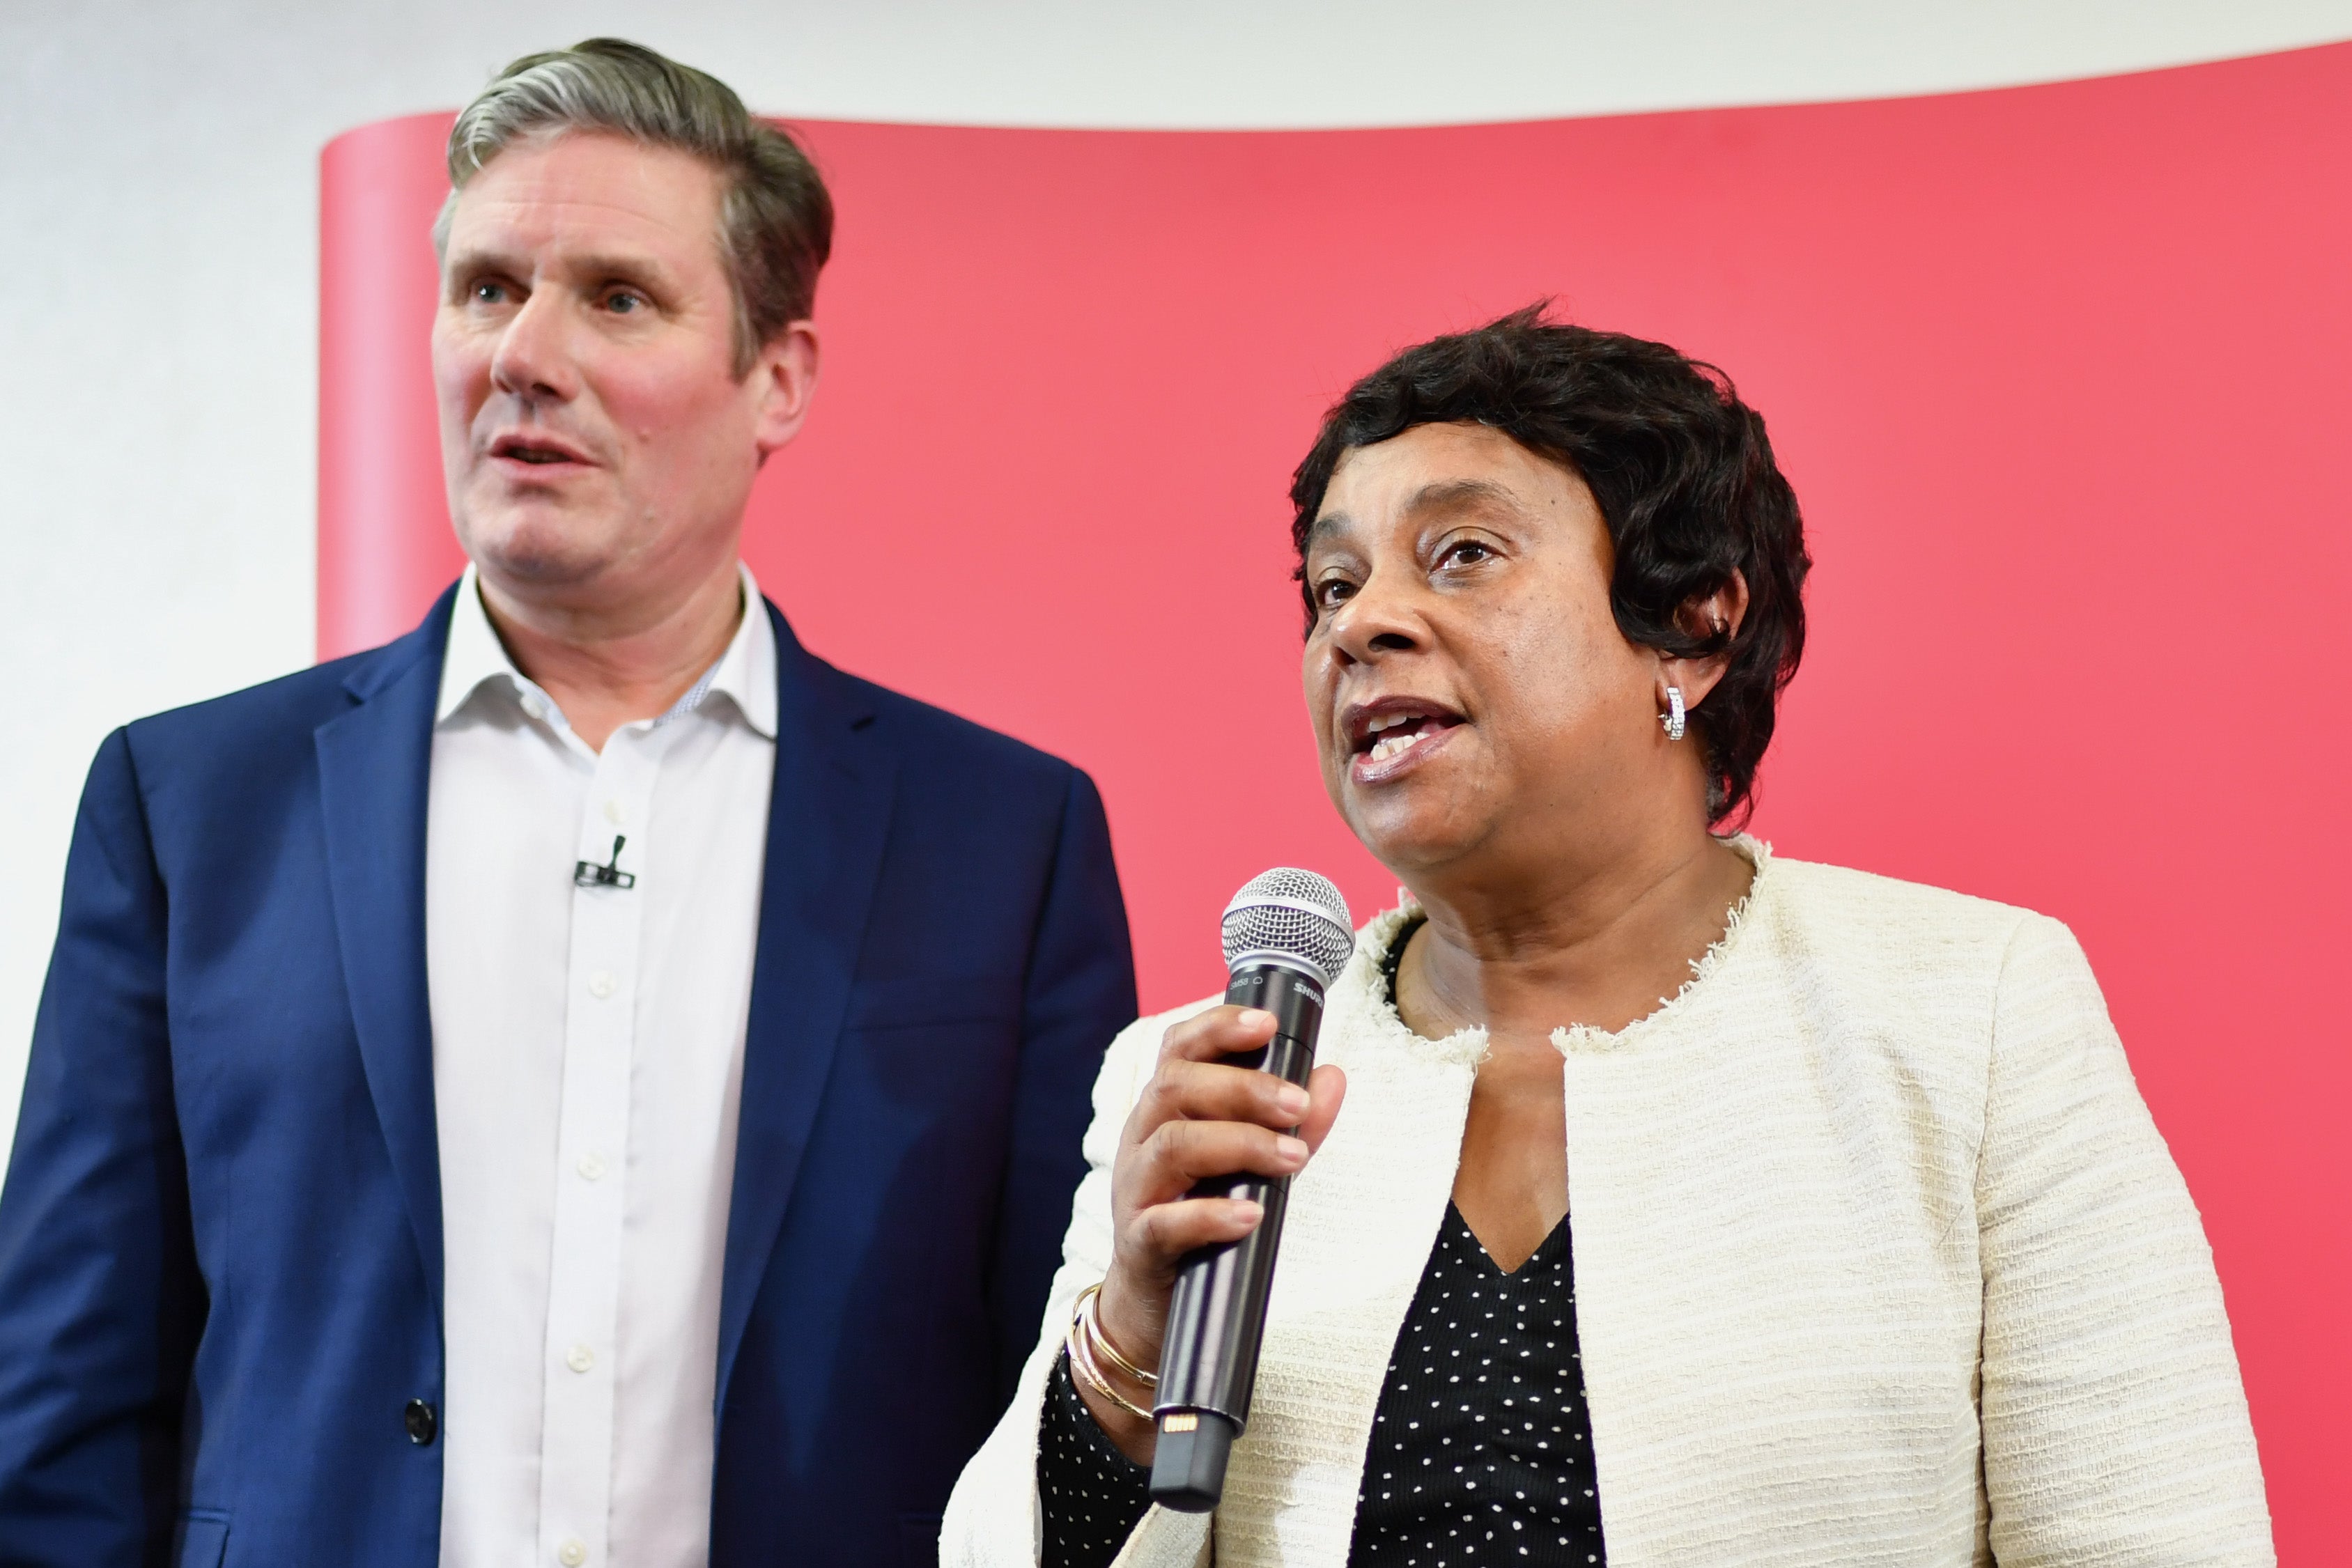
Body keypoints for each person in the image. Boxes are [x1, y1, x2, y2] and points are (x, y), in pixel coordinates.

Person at [0, 38, 1136, 1568]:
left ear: (777, 378)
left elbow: (1059, 1401)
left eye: (617, 297)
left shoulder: (1003, 839)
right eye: (486, 288)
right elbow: (66, 1405)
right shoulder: (191, 808)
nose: (523, 355)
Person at [943, 308, 2273, 1567]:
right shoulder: (1208, 1080)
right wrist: (1127, 1344)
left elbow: (2149, 1536)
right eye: (1332, 584)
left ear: (1692, 626)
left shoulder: (1973, 1014)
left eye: (1463, 553)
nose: (1360, 623)